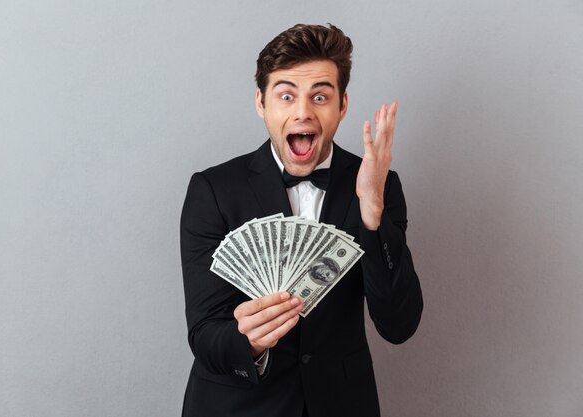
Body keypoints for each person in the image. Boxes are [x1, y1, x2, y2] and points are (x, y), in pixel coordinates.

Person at [180, 23, 423, 417]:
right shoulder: (213, 190)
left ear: (342, 105)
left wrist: (373, 215)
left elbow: (399, 325)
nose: (303, 111)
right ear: (261, 103)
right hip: (237, 406)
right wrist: (248, 341)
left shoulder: (377, 185)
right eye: (286, 95)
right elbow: (205, 334)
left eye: (320, 96)